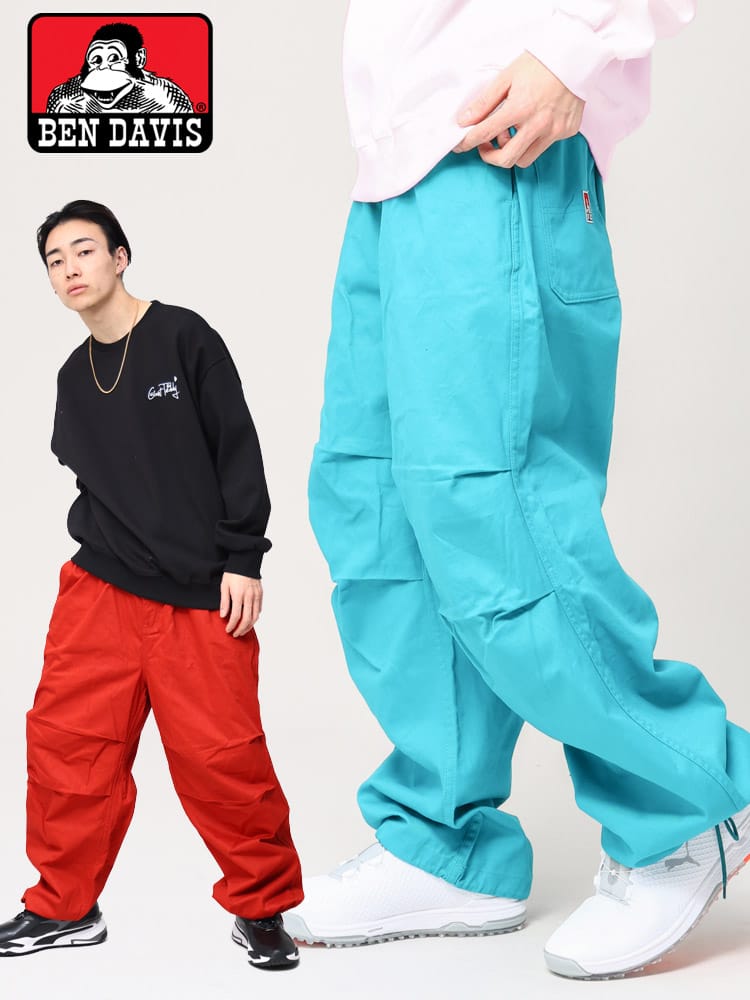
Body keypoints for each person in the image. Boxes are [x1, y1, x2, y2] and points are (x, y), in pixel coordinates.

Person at [283, 0, 750, 980]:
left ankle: (689, 801)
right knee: (377, 508)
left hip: (501, 140)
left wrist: (578, 45)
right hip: (398, 160)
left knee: (493, 506)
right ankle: (445, 842)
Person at [0, 200, 302, 972]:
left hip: (200, 595)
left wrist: (243, 557)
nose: (70, 269)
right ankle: (63, 907)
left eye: (84, 250)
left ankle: (261, 908)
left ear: (120, 257)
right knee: (68, 749)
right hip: (99, 591)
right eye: (55, 260)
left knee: (223, 760)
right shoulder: (72, 377)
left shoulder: (183, 337)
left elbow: (237, 447)